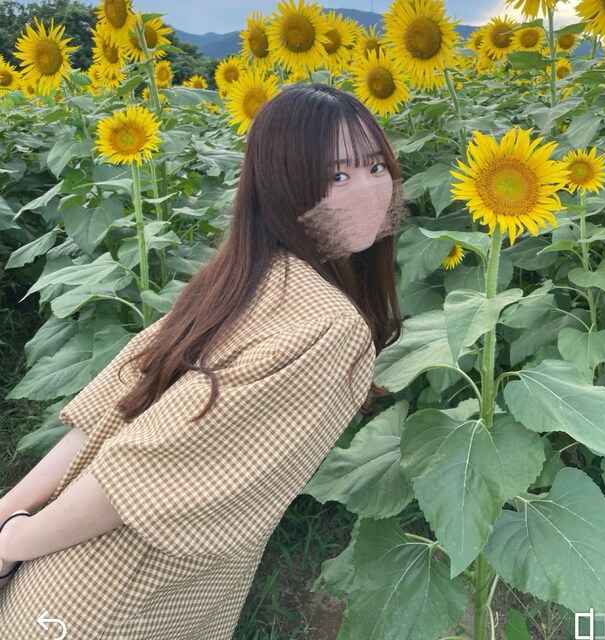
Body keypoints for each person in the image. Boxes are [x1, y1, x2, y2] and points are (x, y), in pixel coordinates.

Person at [0, 82, 405, 639]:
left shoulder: (238, 277)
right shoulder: (330, 328)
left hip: (57, 582)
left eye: (376, 167)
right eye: (337, 176)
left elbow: (112, 409)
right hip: (124, 605)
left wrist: (11, 516)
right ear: (282, 185)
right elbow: (143, 472)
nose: (367, 191)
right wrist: (15, 538)